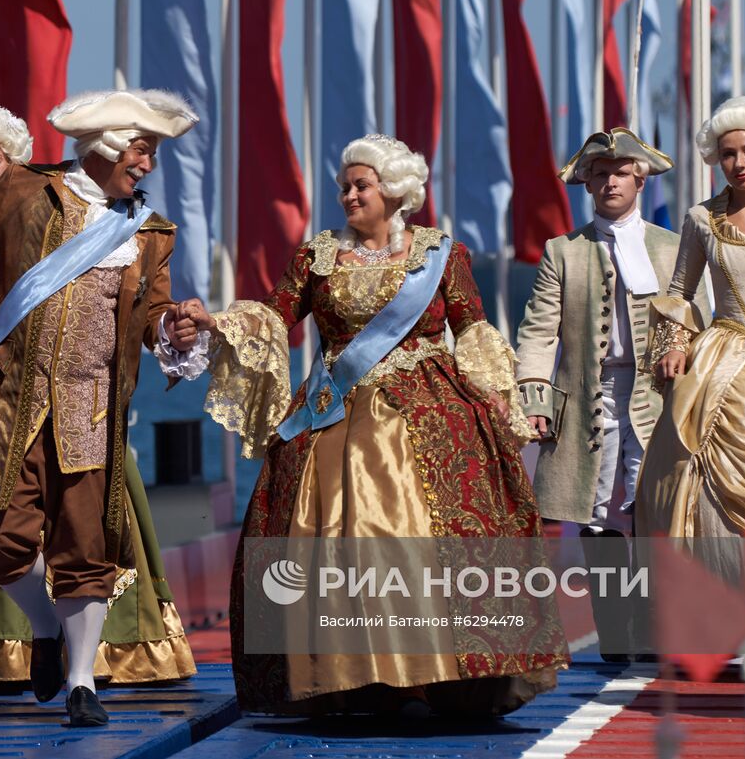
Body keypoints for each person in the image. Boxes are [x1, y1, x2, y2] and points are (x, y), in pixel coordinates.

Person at [174, 134, 566, 717]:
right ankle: (351, 676)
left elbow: (475, 330)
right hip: (334, 412)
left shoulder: (439, 254)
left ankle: (441, 675)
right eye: (344, 186)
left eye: (361, 185)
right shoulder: (317, 256)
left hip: (433, 410)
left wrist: (500, 399)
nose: (349, 195)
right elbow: (276, 316)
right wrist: (215, 322)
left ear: (395, 191)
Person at [0, 89, 206, 727]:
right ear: (107, 145)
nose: (149, 165)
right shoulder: (24, 192)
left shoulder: (151, 233)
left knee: (84, 546)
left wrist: (175, 332)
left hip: (93, 411)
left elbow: (153, 316)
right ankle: (45, 628)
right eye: (142, 149)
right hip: (10, 402)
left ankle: (82, 684)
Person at [635, 96, 745, 659]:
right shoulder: (700, 219)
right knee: (707, 485)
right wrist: (672, 346)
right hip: (722, 365)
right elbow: (680, 293)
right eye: (729, 153)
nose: (739, 163)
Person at [514, 128, 696, 661]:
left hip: (659, 398)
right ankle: (615, 638)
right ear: (588, 183)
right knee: (599, 516)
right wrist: (534, 399)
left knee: (656, 510)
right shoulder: (562, 252)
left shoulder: (670, 247)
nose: (610, 180)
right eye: (600, 172)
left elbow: (692, 317)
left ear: (639, 179)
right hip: (590, 396)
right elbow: (539, 331)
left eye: (620, 171)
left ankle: (654, 630)